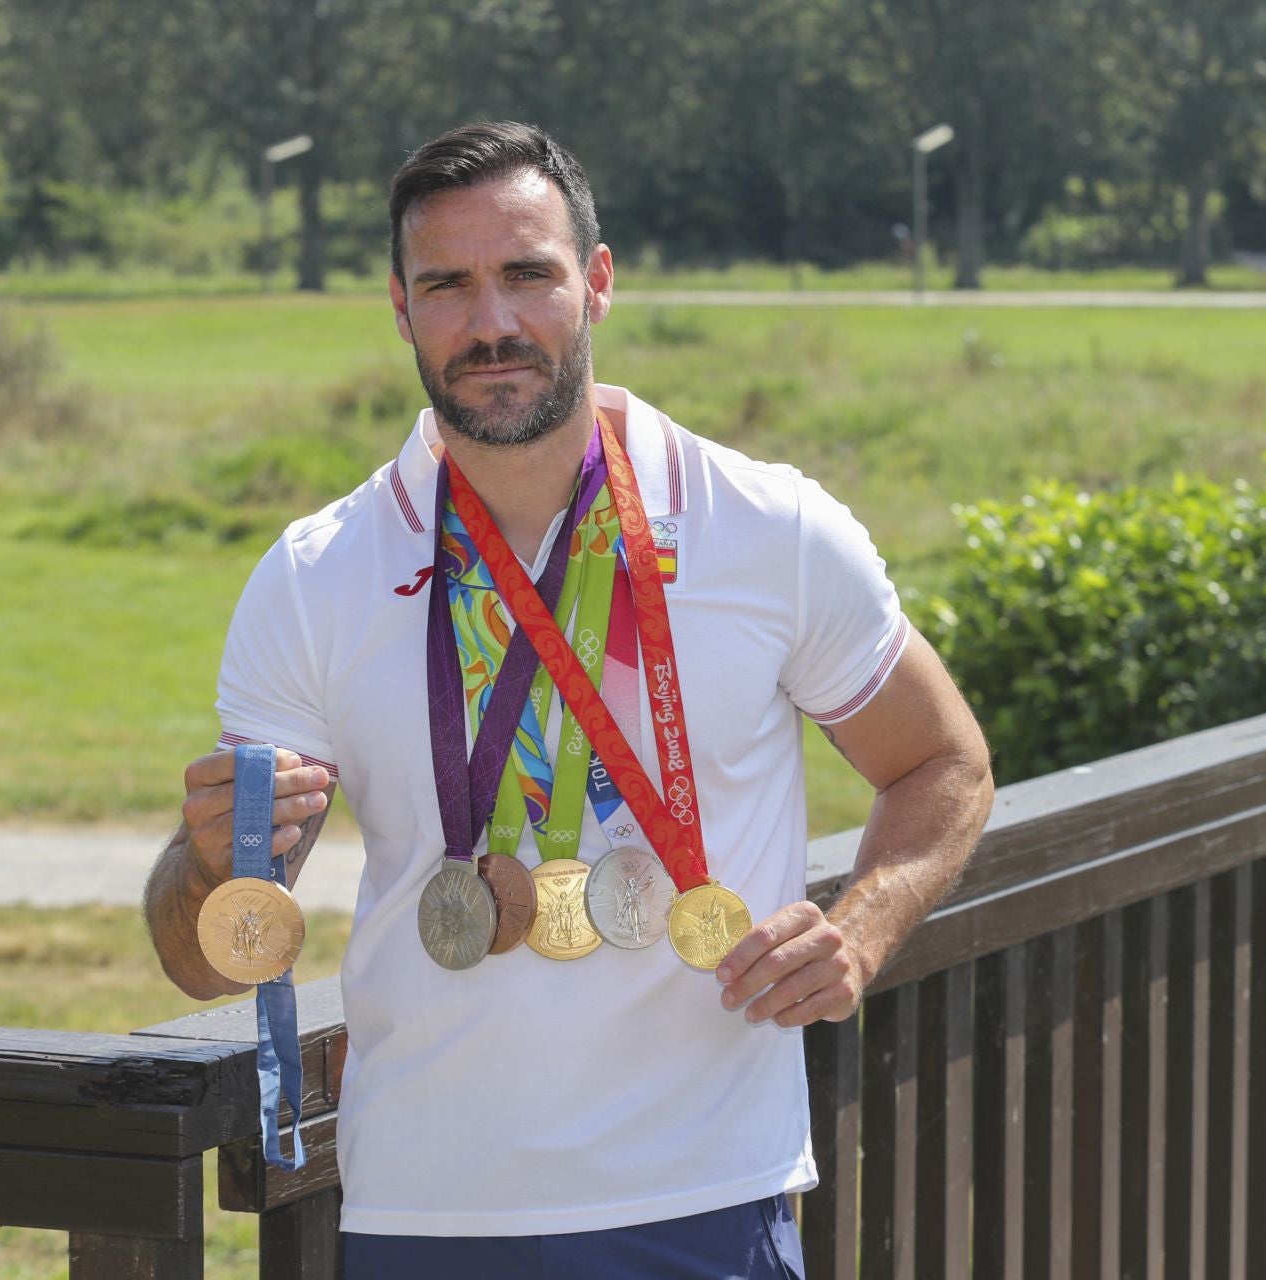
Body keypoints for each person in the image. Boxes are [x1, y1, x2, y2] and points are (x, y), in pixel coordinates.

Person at [143, 120, 994, 1277]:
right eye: (447, 284)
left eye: (527, 274)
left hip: (706, 1195)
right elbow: (209, 956)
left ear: (596, 282)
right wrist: (206, 864)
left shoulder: (766, 525)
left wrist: (860, 929)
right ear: (400, 307)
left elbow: (944, 763)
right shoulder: (314, 574)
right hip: (424, 1207)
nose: (491, 322)